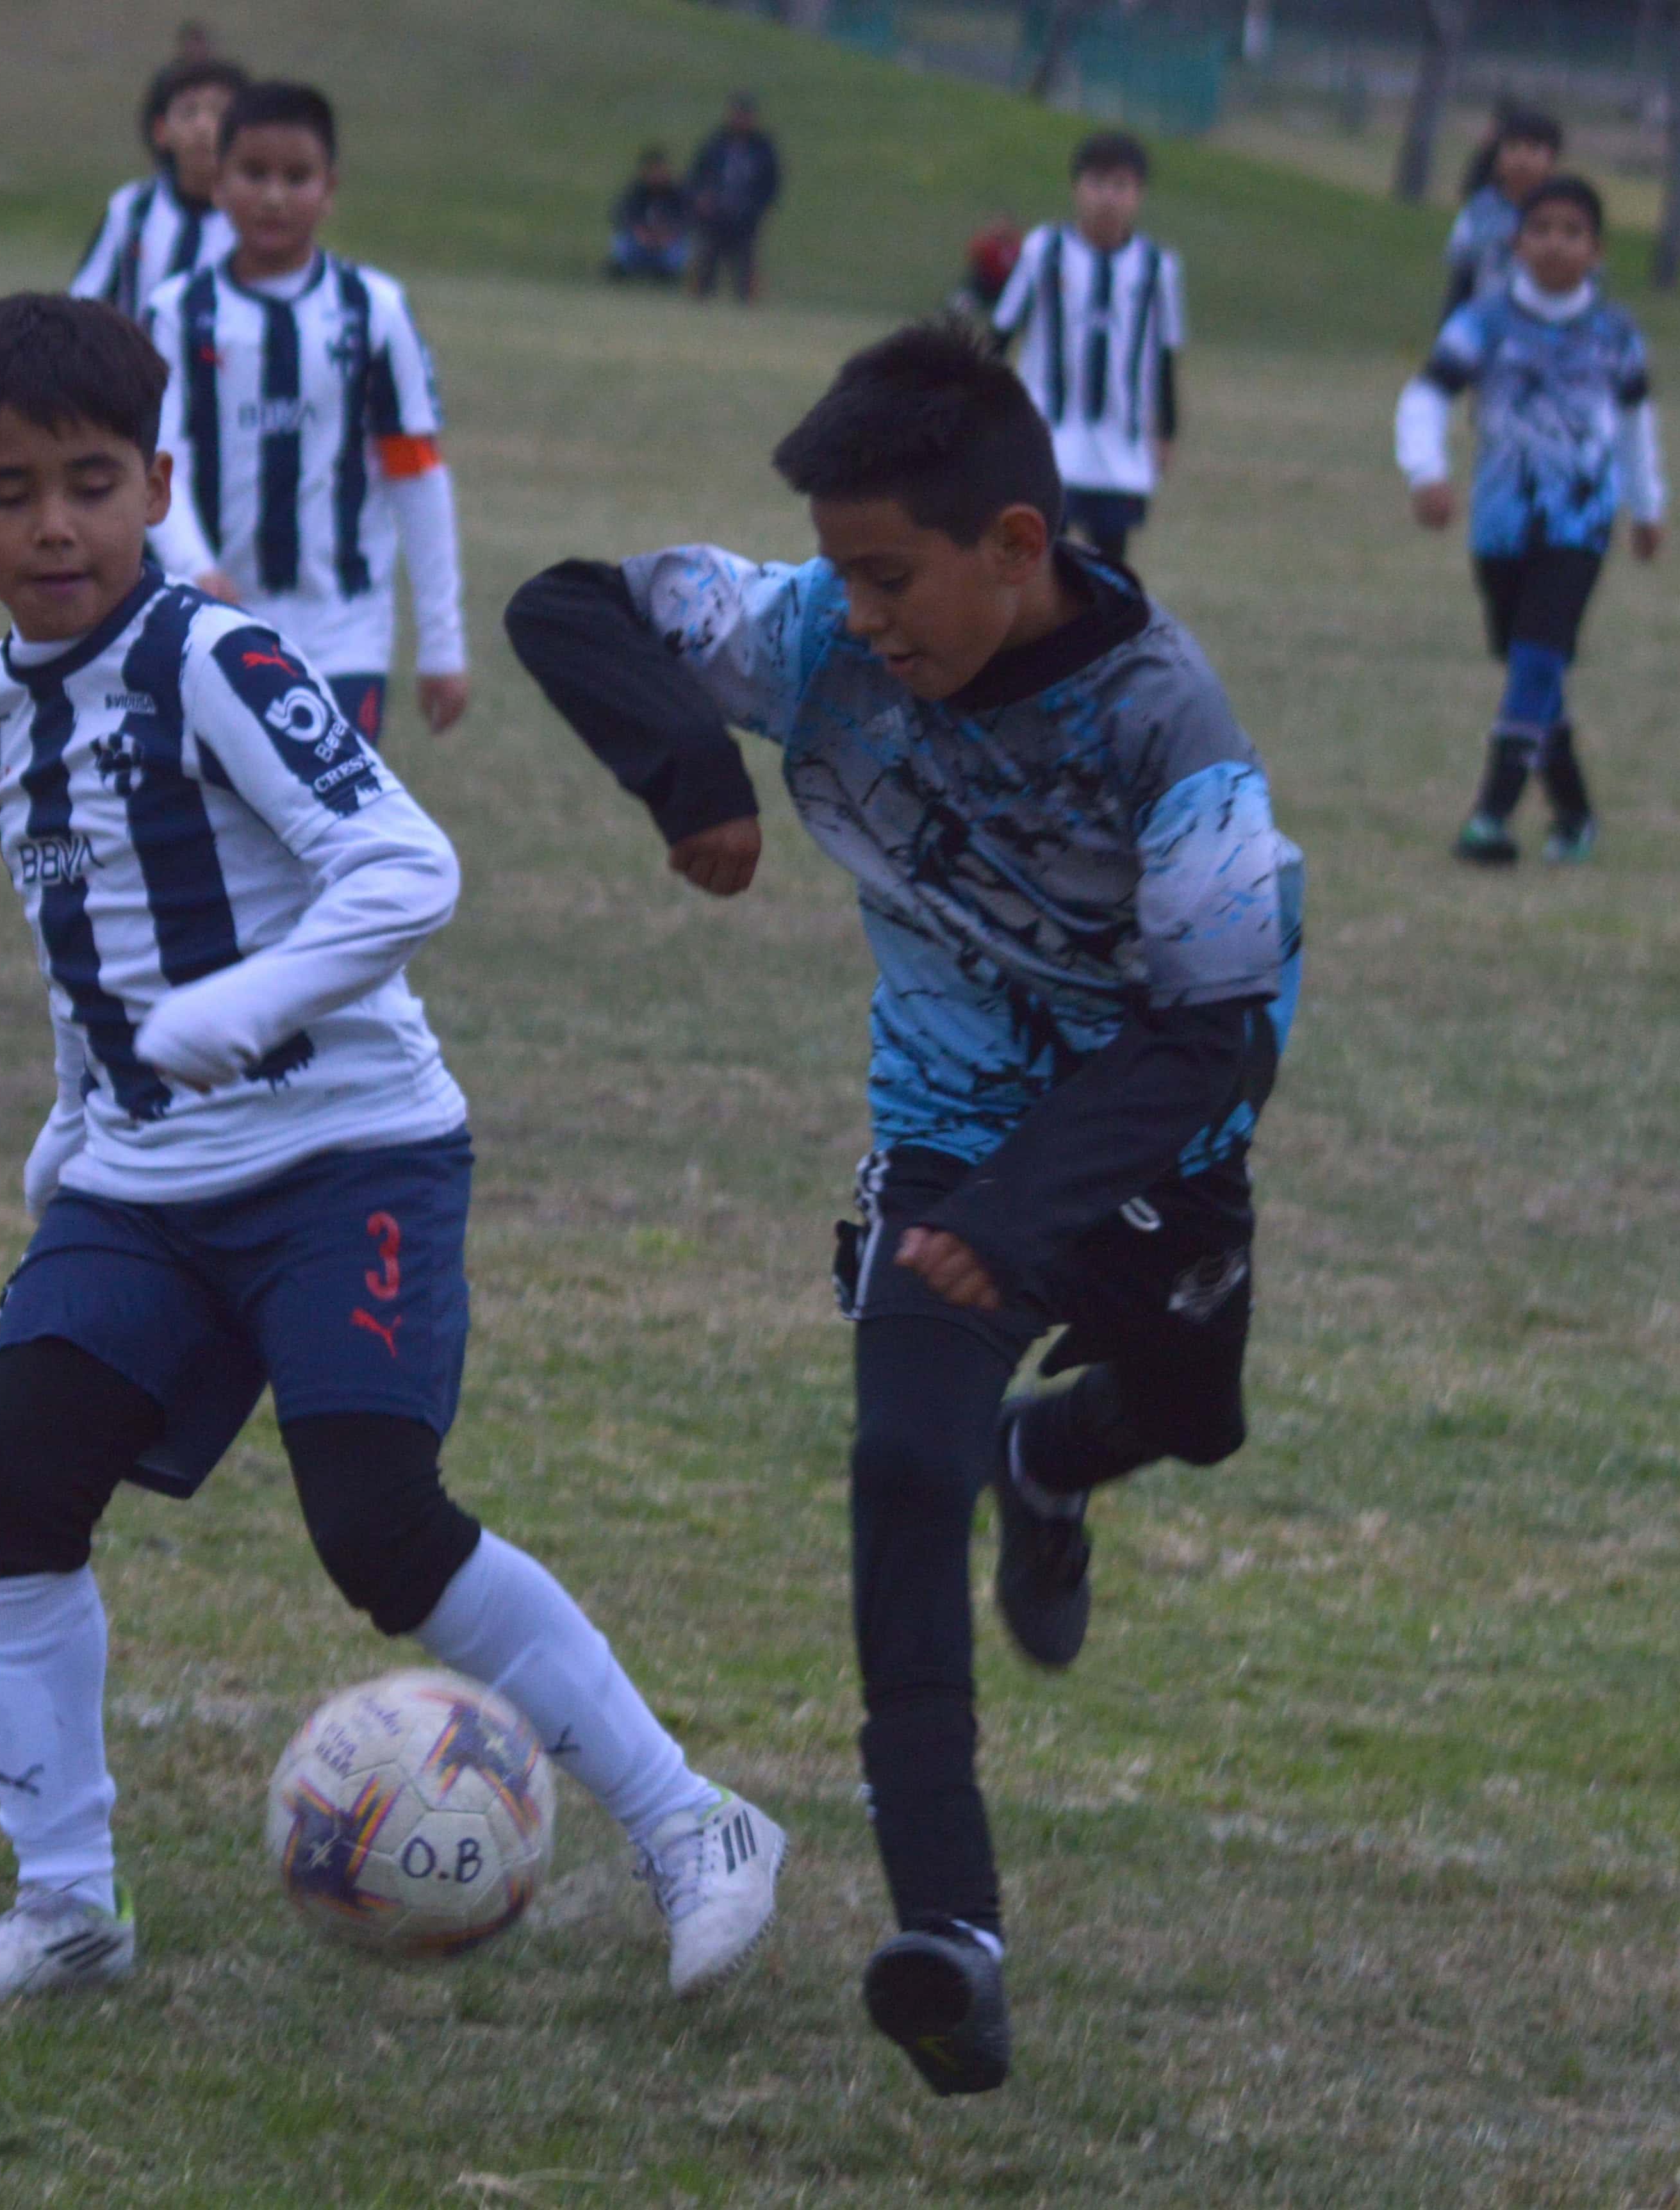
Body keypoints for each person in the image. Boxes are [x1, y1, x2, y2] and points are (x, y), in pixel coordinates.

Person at [0, 290, 786, 2004]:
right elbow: (83, 939)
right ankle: (68, 1904)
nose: (56, 526)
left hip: (345, 1157)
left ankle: (696, 1823)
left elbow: (406, 867)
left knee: (379, 1525)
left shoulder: (212, 658)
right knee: (9, 1485)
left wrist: (246, 1006)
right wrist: (74, 1120)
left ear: (158, 487)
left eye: (92, 484)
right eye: (9, 493)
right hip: (141, 1185)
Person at [506, 323, 1301, 2097]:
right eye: (839, 575)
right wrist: (692, 776)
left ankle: (1054, 1459)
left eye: (888, 579)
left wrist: (1024, 1215)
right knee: (898, 1463)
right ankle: (951, 1932)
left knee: (1195, 1414)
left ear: (1014, 546)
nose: (855, 617)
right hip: (943, 1133)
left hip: (1142, 1137)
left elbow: (1216, 1034)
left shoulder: (1166, 724)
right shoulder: (818, 635)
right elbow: (569, 604)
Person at [144, 82, 468, 750]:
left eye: (297, 177)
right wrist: (194, 566)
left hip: (342, 628)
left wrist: (442, 642)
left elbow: (416, 474)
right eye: (253, 173)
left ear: (330, 189)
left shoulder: (373, 309)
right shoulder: (177, 313)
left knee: (330, 807)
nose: (273, 196)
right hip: (207, 618)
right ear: (218, 181)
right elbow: (156, 457)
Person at [1397, 174, 1665, 866]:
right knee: (1529, 669)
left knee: (1538, 657)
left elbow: (1635, 425)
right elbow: (1426, 397)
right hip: (1500, 523)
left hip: (1581, 522)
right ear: (1517, 243)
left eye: (1572, 233)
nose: (1555, 244)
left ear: (1597, 251)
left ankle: (1491, 815)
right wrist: (1426, 471)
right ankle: (1575, 815)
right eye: (1541, 230)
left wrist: (1647, 505)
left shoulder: (1615, 334)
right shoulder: (1482, 323)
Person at [989, 131, 1183, 566]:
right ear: (1077, 187)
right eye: (1097, 184)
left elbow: (1165, 355)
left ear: (1138, 194)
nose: (1108, 198)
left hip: (1121, 449)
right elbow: (1000, 335)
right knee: (1039, 559)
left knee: (1109, 567)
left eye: (1120, 186)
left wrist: (1166, 431)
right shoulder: (1044, 251)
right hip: (1049, 439)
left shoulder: (1157, 267)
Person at [70, 56, 245, 320]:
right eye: (189, 113)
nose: (203, 127)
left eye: (219, 113)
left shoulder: (252, 215)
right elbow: (87, 298)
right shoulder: (133, 208)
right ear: (161, 131)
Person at [1443, 108, 1563, 318]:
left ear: (1552, 158)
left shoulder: (1563, 213)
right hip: (1487, 320)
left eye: (1533, 149)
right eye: (1513, 148)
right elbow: (1463, 274)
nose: (1522, 159)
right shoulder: (1480, 209)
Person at [685, 92, 782, 304]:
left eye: (745, 115)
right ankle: (700, 300)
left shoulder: (763, 148)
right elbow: (696, 176)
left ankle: (746, 304)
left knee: (745, 266)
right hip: (714, 215)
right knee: (706, 262)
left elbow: (771, 182)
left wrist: (756, 207)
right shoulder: (716, 143)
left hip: (746, 217)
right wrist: (701, 198)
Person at [605, 146, 691, 284]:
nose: (657, 175)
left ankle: (668, 274)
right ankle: (624, 268)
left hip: (666, 242)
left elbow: (686, 218)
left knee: (680, 246)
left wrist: (668, 233)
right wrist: (640, 232)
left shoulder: (677, 193)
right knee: (623, 240)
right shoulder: (635, 193)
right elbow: (621, 214)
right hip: (640, 242)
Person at [951, 214, 1024, 324]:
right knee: (960, 306)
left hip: (1005, 289)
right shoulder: (985, 246)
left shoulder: (1017, 248)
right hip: (983, 286)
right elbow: (975, 267)